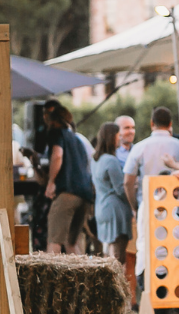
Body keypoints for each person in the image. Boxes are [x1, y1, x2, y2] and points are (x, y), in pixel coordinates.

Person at [123, 107, 179, 288]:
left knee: (148, 251)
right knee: (175, 252)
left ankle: (150, 295)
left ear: (151, 124)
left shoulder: (139, 147)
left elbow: (128, 181)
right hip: (178, 212)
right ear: (170, 125)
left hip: (148, 210)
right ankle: (172, 296)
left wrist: (135, 206)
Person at [44, 104, 95, 255]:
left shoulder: (56, 133)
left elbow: (57, 155)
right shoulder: (77, 139)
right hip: (85, 195)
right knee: (71, 244)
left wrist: (51, 181)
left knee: (54, 241)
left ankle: (50, 278)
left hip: (67, 193)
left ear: (51, 119)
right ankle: (82, 278)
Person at [91, 122, 134, 264]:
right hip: (116, 211)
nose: (120, 139)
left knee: (108, 253)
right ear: (112, 137)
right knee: (117, 257)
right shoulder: (111, 161)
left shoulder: (95, 160)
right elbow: (121, 189)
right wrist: (135, 202)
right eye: (118, 136)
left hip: (101, 208)